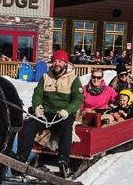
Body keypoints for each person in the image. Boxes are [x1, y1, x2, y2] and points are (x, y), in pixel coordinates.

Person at [15, 49, 84, 178]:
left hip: (63, 113)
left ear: (65, 63)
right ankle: (21, 158)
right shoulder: (46, 76)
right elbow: (38, 94)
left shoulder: (73, 79)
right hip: (46, 113)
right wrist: (37, 107)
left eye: (60, 61)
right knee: (29, 125)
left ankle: (63, 161)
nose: (57, 63)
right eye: (55, 61)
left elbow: (78, 99)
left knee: (66, 128)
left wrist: (67, 110)